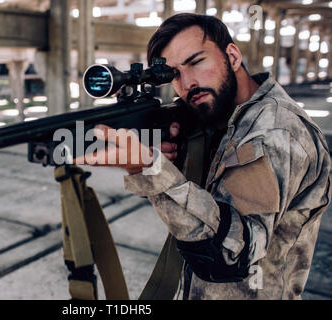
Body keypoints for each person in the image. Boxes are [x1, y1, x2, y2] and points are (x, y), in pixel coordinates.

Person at [81, 13, 331, 299]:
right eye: (173, 74)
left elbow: (228, 254)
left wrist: (151, 170)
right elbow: (213, 202)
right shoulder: (223, 117)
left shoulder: (276, 133)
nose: (187, 83)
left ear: (233, 56)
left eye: (196, 62)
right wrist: (181, 160)